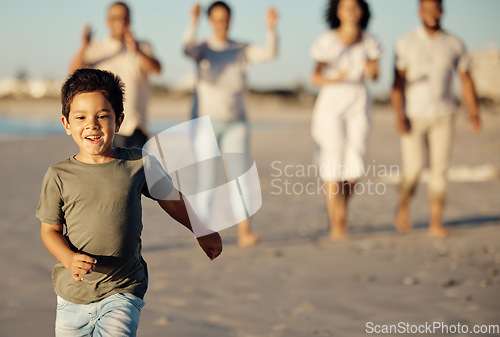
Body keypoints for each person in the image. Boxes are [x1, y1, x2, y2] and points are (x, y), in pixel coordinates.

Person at [36, 69, 222, 336]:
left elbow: (171, 199)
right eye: (81, 117)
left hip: (123, 289)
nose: (92, 124)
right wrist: (68, 258)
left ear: (119, 120)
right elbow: (49, 231)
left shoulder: (138, 163)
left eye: (102, 116)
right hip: (72, 296)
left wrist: (201, 229)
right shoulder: (58, 175)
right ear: (66, 124)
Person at [183, 1, 279, 247]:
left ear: (230, 20)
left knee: (240, 177)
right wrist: (192, 23)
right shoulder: (203, 48)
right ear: (209, 21)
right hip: (204, 123)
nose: (220, 23)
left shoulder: (240, 48)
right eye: (215, 18)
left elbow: (269, 53)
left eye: (224, 18)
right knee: (206, 177)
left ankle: (244, 231)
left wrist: (271, 28)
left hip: (237, 122)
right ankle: (203, 232)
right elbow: (186, 49)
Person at [391, 0, 481, 238]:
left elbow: (466, 80)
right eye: (426, 8)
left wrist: (474, 112)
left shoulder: (455, 44)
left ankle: (435, 223)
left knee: (439, 171)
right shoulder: (406, 42)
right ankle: (403, 206)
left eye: (436, 8)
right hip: (413, 115)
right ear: (418, 12)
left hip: (444, 114)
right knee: (414, 169)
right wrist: (398, 115)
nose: (432, 13)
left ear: (442, 11)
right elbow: (397, 83)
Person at [310, 0, 381, 241]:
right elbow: (315, 77)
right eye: (345, 6)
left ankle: (341, 210)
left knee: (355, 164)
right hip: (331, 103)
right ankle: (336, 223)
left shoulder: (370, 41)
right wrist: (336, 77)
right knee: (332, 161)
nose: (351, 11)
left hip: (358, 102)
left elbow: (376, 74)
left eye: (355, 6)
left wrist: (371, 70)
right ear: (337, 11)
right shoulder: (327, 41)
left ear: (362, 10)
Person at [69, 1, 161, 148]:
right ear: (108, 21)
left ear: (130, 20)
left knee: (139, 171)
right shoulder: (97, 48)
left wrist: (136, 50)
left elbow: (157, 70)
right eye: (116, 18)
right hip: (108, 127)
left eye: (124, 18)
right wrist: (84, 46)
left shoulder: (142, 46)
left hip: (137, 127)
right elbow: (74, 72)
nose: (121, 22)